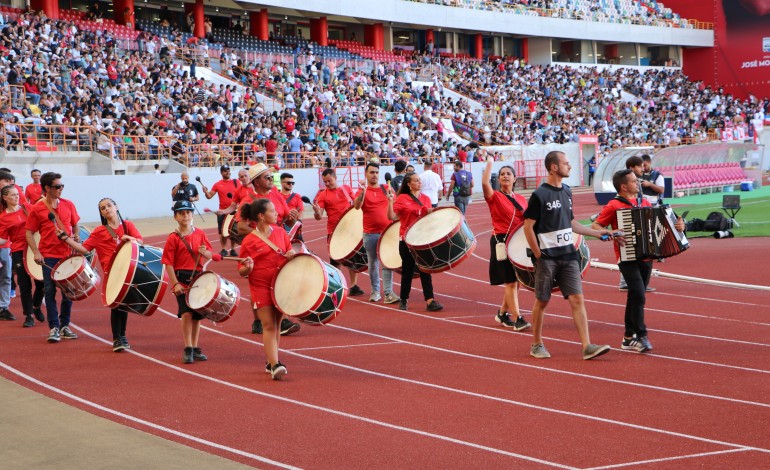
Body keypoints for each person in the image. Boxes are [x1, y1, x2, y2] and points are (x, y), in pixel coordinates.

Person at [522, 151, 612, 360]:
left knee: (577, 298)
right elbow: (528, 227)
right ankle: (536, 344)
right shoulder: (539, 195)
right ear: (554, 167)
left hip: (569, 255)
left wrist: (596, 233)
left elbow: (571, 223)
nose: (569, 166)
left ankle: (587, 346)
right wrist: (539, 255)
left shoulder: (567, 192)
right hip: (547, 258)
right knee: (542, 301)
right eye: (566, 163)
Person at [591, 169, 685, 353]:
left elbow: (664, 222)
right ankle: (641, 336)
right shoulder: (614, 205)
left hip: (647, 255)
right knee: (638, 294)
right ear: (624, 186)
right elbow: (596, 226)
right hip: (627, 256)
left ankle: (627, 337)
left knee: (636, 297)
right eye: (634, 181)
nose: (638, 183)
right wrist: (612, 234)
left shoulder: (644, 202)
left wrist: (679, 226)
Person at [220, 163, 300, 336]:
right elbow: (241, 227)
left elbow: (286, 221)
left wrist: (292, 218)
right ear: (256, 181)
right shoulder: (248, 200)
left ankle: (277, 319)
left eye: (271, 176)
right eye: (267, 177)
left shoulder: (277, 196)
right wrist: (261, 236)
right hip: (258, 248)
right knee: (259, 283)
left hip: (278, 243)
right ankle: (262, 320)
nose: (272, 179)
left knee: (280, 279)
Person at [61, 199, 143, 352]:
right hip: (111, 272)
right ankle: (117, 338)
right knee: (115, 305)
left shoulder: (128, 226)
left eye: (109, 206)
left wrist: (130, 239)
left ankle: (122, 336)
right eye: (103, 208)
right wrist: (66, 240)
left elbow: (139, 241)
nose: (106, 209)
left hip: (127, 271)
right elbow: (84, 249)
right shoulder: (99, 231)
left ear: (116, 207)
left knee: (124, 304)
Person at [237, 199, 296, 380]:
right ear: (261, 216)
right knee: (268, 325)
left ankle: (272, 360)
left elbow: (288, 252)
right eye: (272, 210)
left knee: (277, 324)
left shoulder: (280, 232)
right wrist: (247, 267)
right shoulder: (249, 241)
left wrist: (291, 254)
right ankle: (275, 364)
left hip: (279, 283)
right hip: (260, 285)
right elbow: (241, 270)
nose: (277, 213)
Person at [25, 172, 81, 343]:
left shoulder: (68, 204)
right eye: (57, 186)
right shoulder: (37, 208)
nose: (61, 189)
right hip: (48, 256)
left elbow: (75, 224)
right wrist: (36, 252)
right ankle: (54, 327)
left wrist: (76, 236)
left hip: (67, 255)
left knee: (68, 292)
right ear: (47, 188)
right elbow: (29, 232)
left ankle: (65, 326)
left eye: (62, 186)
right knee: (49, 291)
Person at [481, 153, 530, 331]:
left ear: (515, 178)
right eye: (502, 174)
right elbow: (485, 183)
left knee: (516, 282)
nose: (505, 176)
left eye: (509, 173)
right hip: (501, 240)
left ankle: (502, 313)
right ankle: (517, 318)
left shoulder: (522, 199)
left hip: (517, 241)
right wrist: (490, 163)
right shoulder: (494, 196)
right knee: (510, 281)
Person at [162, 200, 215, 364]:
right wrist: (175, 283)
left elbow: (210, 255)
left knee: (197, 316)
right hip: (182, 278)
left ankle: (195, 346)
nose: (185, 216)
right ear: (175, 217)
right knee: (186, 313)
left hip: (198, 277)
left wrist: (204, 252)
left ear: (192, 214)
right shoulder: (173, 238)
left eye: (188, 213)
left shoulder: (200, 233)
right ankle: (188, 347)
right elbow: (168, 262)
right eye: (181, 213)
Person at [389, 172, 443, 312]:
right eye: (416, 180)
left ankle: (430, 300)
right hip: (406, 240)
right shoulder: (402, 198)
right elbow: (392, 216)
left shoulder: (426, 198)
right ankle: (403, 299)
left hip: (422, 239)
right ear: (409, 184)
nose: (420, 182)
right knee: (407, 270)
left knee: (425, 269)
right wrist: (390, 201)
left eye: (420, 180)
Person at [312, 168, 365, 297]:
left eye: (329, 181)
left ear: (335, 178)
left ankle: (353, 285)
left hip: (349, 229)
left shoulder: (346, 189)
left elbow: (356, 205)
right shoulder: (323, 195)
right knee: (335, 260)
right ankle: (337, 285)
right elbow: (319, 216)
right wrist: (316, 211)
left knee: (352, 257)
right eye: (325, 182)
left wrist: (362, 191)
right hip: (334, 231)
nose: (327, 184)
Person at [354, 163, 398, 304]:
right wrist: (362, 192)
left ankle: (388, 293)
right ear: (366, 174)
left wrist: (392, 199)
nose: (374, 175)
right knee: (373, 263)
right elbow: (356, 206)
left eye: (376, 172)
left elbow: (395, 208)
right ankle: (375, 291)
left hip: (386, 233)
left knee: (386, 263)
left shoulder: (386, 188)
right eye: (371, 172)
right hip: (370, 233)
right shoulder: (362, 190)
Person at [0, 184, 44, 326]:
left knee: (41, 282)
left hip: (35, 248)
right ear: (4, 197)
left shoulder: (27, 207)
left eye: (17, 194)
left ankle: (36, 305)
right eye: (13, 195)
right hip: (18, 251)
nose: (16, 197)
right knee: (24, 284)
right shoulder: (3, 217)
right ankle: (29, 315)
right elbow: (3, 239)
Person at [620, 156, 657, 291]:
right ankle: (626, 282)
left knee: (638, 249)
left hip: (640, 215)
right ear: (631, 168)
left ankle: (636, 282)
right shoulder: (623, 181)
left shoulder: (639, 183)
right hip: (630, 218)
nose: (643, 168)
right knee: (630, 248)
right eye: (640, 166)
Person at [199, 164, 239, 257]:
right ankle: (224, 249)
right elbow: (209, 196)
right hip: (222, 211)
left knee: (234, 231)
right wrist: (205, 192)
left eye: (228, 170)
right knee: (222, 231)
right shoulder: (217, 184)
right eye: (225, 170)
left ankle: (233, 249)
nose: (227, 172)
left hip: (234, 210)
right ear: (221, 173)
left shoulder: (236, 182)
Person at [279, 173, 304, 240]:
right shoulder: (277, 196)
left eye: (293, 183)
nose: (291, 184)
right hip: (281, 226)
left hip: (293, 226)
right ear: (282, 182)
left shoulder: (297, 196)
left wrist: (299, 222)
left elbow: (301, 210)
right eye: (289, 183)